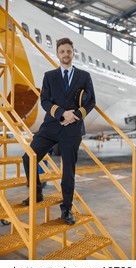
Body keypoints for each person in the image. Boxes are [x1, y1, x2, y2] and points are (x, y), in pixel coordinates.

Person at [22, 38, 96, 225]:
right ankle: (36, 192)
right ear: (57, 54)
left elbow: (91, 101)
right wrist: (62, 114)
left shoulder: (84, 76)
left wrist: (76, 115)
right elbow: (45, 100)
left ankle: (67, 209)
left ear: (73, 53)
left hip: (72, 129)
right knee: (28, 157)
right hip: (51, 126)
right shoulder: (50, 76)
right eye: (62, 51)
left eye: (68, 51)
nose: (65, 54)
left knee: (68, 171)